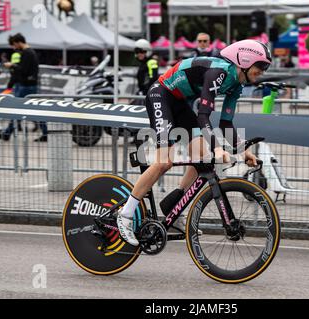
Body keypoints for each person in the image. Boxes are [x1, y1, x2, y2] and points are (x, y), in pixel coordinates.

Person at [115, 39, 271, 246]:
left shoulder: (236, 85)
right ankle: (124, 215)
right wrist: (216, 146)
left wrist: (243, 150)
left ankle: (174, 210)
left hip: (180, 103)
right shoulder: (219, 72)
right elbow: (203, 116)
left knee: (203, 160)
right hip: (161, 95)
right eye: (260, 67)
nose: (261, 72)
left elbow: (226, 123)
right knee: (164, 162)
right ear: (245, 60)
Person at [0, 33, 46, 142]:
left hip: (26, 86)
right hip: (28, 85)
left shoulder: (27, 53)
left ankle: (7, 133)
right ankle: (45, 132)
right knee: (35, 110)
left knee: (17, 109)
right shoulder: (29, 52)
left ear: (18, 42)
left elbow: (23, 70)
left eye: (14, 45)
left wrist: (12, 65)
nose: (14, 48)